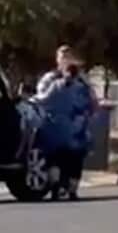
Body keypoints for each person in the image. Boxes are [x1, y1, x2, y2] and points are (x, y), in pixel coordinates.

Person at [32, 47, 96, 200]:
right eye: (62, 57)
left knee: (72, 158)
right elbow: (41, 95)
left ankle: (68, 189)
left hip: (70, 128)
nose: (65, 60)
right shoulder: (50, 79)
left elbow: (42, 99)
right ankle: (58, 188)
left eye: (68, 57)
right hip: (57, 126)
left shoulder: (80, 81)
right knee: (56, 157)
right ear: (57, 60)